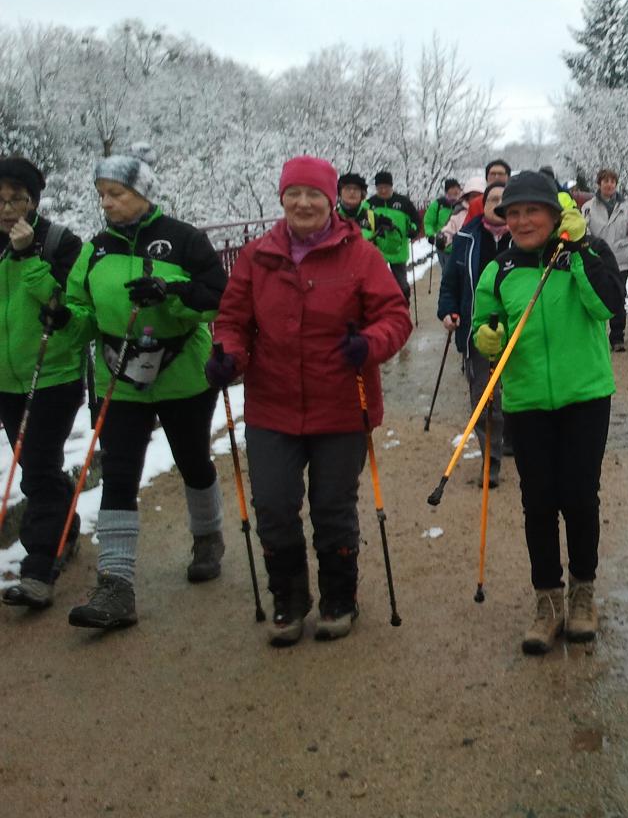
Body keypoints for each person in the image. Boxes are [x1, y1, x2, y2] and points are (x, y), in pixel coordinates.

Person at [208, 156, 412, 646]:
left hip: (341, 403)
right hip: (272, 405)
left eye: (314, 195)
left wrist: (369, 343)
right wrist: (229, 356)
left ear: (330, 201)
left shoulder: (360, 256)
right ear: (281, 199)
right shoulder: (258, 257)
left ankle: (340, 597)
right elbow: (233, 321)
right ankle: (289, 598)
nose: (303, 203)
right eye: (293, 194)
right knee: (274, 505)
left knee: (332, 507)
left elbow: (395, 316)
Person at [64, 143, 228, 631]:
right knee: (119, 472)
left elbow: (219, 299)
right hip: (120, 378)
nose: (107, 203)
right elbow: (81, 308)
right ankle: (116, 585)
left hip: (181, 372)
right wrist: (63, 317)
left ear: (141, 192)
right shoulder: (96, 249)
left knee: (192, 459)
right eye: (102, 194)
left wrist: (172, 295)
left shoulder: (184, 239)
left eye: (116, 192)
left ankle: (208, 537)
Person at [471, 170, 623, 654]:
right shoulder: (500, 269)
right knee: (537, 503)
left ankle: (583, 594)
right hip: (528, 399)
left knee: (579, 495)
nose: (520, 221)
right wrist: (485, 337)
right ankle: (548, 600)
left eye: (531, 211)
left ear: (556, 214)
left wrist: (577, 252)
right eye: (512, 213)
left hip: (585, 396)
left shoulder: (590, 253)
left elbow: (607, 309)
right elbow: (483, 322)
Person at [0, 157, 86, 610]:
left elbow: (67, 309)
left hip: (53, 376)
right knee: (40, 464)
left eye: (17, 197)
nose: (7, 207)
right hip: (6, 381)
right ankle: (65, 529)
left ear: (34, 200)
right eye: (0, 198)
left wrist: (29, 255)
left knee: (35, 467)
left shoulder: (59, 243)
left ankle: (38, 569)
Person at [437, 182, 510, 486]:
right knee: (485, 399)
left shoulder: (526, 237)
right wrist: (448, 311)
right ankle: (490, 461)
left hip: (521, 331)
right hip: (479, 331)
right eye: (493, 198)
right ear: (483, 204)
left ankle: (518, 444)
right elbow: (451, 282)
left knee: (517, 397)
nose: (498, 203)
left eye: (504, 199)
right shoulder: (466, 238)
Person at [580, 168, 628, 352]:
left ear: (616, 184)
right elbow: (583, 233)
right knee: (594, 297)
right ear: (599, 183)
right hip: (597, 260)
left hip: (620, 260)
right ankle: (595, 335)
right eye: (605, 181)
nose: (609, 184)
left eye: (612, 181)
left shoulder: (627, 209)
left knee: (618, 298)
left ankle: (617, 337)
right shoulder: (587, 208)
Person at [368, 171, 419, 303]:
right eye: (380, 188)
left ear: (392, 186)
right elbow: (363, 225)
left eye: (386, 187)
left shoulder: (403, 202)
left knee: (401, 283)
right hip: (377, 251)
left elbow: (415, 220)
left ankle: (404, 305)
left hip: (398, 249)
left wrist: (413, 230)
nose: (383, 190)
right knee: (378, 283)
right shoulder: (370, 204)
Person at [438, 159, 510, 251]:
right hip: (479, 250)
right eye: (492, 174)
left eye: (500, 174)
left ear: (508, 177)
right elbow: (465, 229)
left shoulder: (516, 200)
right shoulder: (475, 204)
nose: (496, 177)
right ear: (486, 178)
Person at [435, 173, 487, 253]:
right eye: (473, 196)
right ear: (467, 197)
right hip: (464, 255)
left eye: (480, 195)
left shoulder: (490, 214)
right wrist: (443, 237)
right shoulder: (460, 214)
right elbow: (450, 228)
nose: (477, 199)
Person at [335, 172, 379, 240]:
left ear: (362, 194)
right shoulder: (331, 218)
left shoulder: (372, 218)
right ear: (340, 193)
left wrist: (390, 232)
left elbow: (389, 248)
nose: (352, 192)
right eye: (347, 188)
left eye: (356, 189)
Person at [421, 178, 461, 242]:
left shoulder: (464, 204)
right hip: (443, 245)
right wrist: (430, 234)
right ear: (447, 191)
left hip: (461, 246)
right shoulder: (438, 204)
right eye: (452, 188)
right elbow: (428, 222)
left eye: (457, 188)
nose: (456, 190)